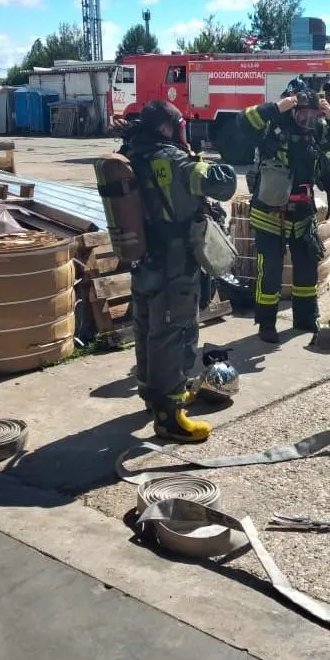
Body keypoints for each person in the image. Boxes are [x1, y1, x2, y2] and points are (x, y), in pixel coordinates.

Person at [118, 100, 237, 442]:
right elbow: (222, 185)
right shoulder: (173, 159)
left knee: (145, 325)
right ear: (168, 128)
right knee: (173, 330)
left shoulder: (130, 153)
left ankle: (151, 394)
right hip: (174, 260)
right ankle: (170, 418)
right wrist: (203, 158)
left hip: (143, 257)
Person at [237, 77, 330, 343]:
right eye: (302, 113)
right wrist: (279, 106)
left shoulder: (316, 130)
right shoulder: (271, 125)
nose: (308, 120)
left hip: (303, 211)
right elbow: (244, 120)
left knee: (307, 267)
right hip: (269, 213)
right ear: (291, 108)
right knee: (271, 270)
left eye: (313, 114)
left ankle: (305, 317)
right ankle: (266, 325)